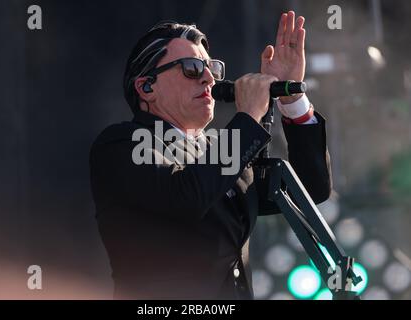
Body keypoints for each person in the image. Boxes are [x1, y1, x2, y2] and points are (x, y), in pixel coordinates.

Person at [89, 11, 332, 299]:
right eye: (192, 68)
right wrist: (248, 117)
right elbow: (187, 196)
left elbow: (309, 188)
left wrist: (293, 102)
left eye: (211, 68)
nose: (209, 79)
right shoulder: (120, 144)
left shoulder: (219, 150)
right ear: (147, 87)